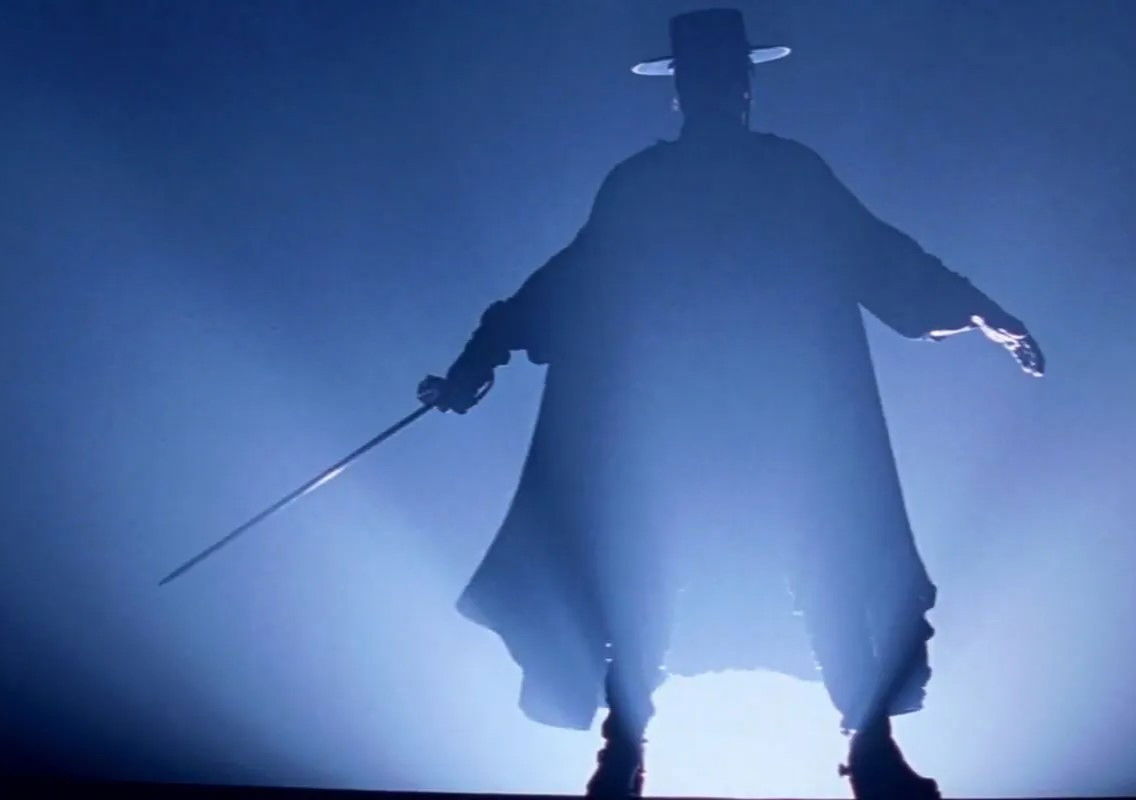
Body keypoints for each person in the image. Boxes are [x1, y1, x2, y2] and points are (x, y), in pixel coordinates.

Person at [418, 9, 1044, 799]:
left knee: (812, 566)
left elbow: (878, 253)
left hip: (765, 418)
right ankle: (632, 749)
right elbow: (572, 279)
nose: (724, 89)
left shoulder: (753, 177)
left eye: (728, 76)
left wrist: (982, 310)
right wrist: (482, 352)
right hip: (700, 419)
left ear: (733, 85)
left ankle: (856, 745)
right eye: (711, 76)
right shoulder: (670, 184)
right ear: (688, 89)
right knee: (672, 568)